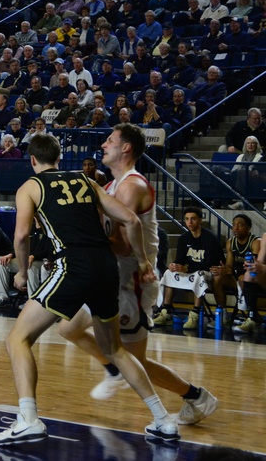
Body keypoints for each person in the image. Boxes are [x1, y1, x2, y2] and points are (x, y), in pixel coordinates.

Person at [0, 133, 178, 446]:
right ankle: (163, 419)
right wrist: (144, 262)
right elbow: (131, 220)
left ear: (33, 160)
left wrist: (22, 272)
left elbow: (22, 236)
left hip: (73, 266)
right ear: (59, 157)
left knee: (17, 338)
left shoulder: (30, 187)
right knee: (114, 349)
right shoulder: (86, 180)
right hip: (107, 267)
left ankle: (28, 418)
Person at [55, 124, 218, 425]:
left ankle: (195, 396)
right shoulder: (110, 187)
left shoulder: (133, 186)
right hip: (108, 277)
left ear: (126, 148)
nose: (103, 144)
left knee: (135, 360)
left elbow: (121, 244)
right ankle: (114, 369)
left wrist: (78, 236)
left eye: (110, 140)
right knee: (68, 328)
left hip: (130, 281)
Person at [151, 207, 224, 329]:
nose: (190, 222)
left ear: (200, 220)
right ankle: (166, 312)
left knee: (199, 274)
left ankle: (195, 314)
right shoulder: (183, 238)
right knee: (169, 273)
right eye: (187, 219)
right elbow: (180, 259)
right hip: (189, 271)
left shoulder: (210, 239)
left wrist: (187, 268)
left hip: (207, 272)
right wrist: (174, 265)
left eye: (193, 219)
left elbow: (210, 263)